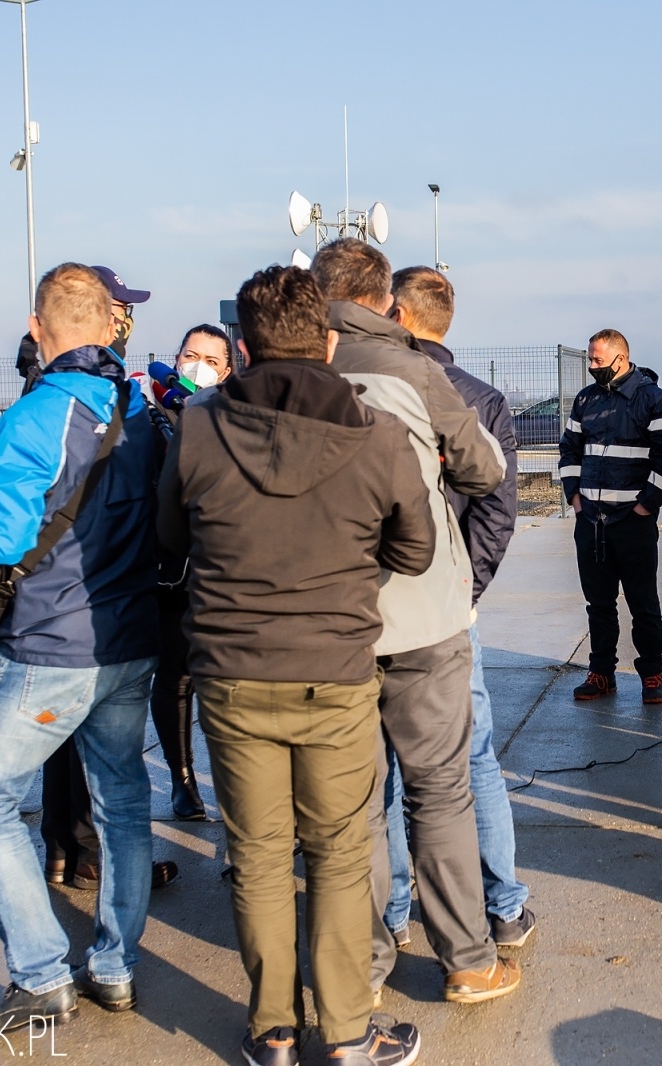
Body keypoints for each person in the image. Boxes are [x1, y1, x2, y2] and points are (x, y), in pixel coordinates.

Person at [158, 265, 433, 1066]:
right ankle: (347, 1033)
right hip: (336, 671)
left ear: (243, 350)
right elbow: (414, 549)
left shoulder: (200, 428)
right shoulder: (375, 432)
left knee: (259, 853)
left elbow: (171, 539)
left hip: (232, 674)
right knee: (342, 854)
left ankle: (273, 1032)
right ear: (332, 341)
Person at [0, 263, 159, 1029]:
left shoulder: (36, 416)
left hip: (49, 649)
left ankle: (39, 973)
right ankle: (115, 964)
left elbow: (2, 536)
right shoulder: (144, 413)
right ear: (108, 327)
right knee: (124, 799)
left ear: (39, 328)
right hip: (129, 642)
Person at [310, 238, 518, 1006]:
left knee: (355, 804)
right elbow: (488, 470)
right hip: (424, 617)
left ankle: (362, 967)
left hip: (331, 623)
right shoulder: (413, 370)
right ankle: (466, 958)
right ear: (383, 303)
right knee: (442, 791)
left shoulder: (296, 371)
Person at [379, 264, 538, 952]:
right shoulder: (483, 399)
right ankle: (501, 906)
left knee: (382, 772)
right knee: (471, 762)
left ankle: (391, 909)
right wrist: (462, 595)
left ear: (399, 315)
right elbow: (499, 512)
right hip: (446, 614)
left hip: (379, 610)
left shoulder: (379, 389)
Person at [35, 265, 162, 891]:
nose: (126, 322)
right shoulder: (98, 391)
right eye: (120, 308)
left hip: (59, 602)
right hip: (94, 592)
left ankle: (65, 844)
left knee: (62, 733)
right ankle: (89, 853)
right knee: (104, 751)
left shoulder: (53, 382)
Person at [559, 329, 662, 703]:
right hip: (591, 523)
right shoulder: (586, 399)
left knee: (643, 602)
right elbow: (569, 451)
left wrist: (646, 505)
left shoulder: (655, 400)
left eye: (597, 360)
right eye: (591, 359)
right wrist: (575, 499)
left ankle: (652, 675)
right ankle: (601, 673)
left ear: (621, 359)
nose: (592, 366)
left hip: (633, 523)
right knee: (598, 603)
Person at [152, 323, 234, 822]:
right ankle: (182, 779)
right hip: (169, 571)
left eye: (209, 359)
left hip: (219, 568)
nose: (196, 365)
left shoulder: (229, 417)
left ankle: (228, 780)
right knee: (175, 677)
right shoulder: (148, 414)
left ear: (226, 371)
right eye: (189, 355)